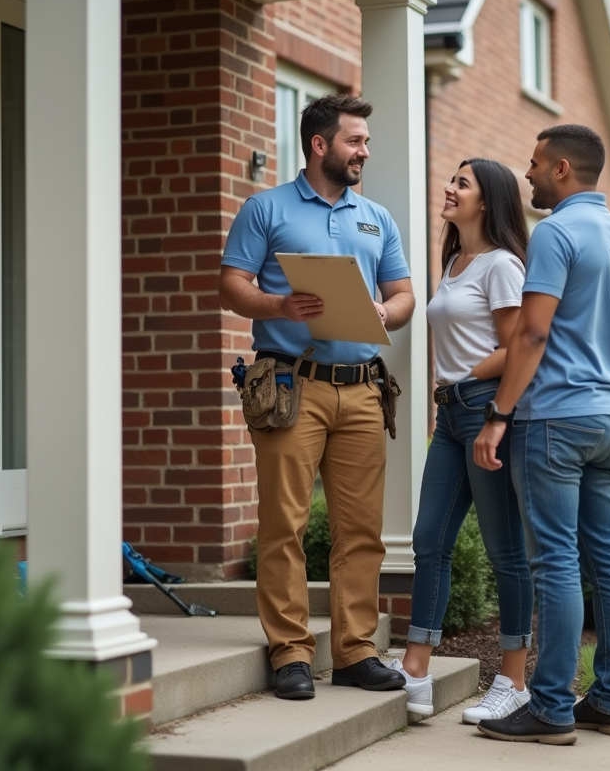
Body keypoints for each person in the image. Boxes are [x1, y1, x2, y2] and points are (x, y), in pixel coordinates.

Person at [220, 94, 415, 700]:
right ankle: (290, 653)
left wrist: (385, 310)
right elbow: (231, 285)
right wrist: (280, 305)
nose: (364, 152)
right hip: (288, 387)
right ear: (319, 145)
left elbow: (405, 295)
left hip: (360, 391)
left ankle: (355, 650)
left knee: (362, 530)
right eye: (355, 141)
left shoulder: (377, 217)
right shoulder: (265, 207)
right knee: (284, 525)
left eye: (366, 142)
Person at [472, 125, 610, 745]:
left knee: (555, 564)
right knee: (608, 557)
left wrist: (498, 414)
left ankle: (549, 708)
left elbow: (531, 335)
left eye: (537, 163)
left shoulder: (556, 233)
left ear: (564, 169)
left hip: (554, 421)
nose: (528, 174)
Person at [386, 159, 534, 723]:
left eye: (462, 183)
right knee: (429, 539)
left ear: (487, 202)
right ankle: (417, 669)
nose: (449, 188)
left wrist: (469, 384)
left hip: (484, 410)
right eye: (452, 179)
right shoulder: (454, 262)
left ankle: (514, 680)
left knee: (505, 552)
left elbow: (518, 346)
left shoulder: (501, 266)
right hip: (449, 418)